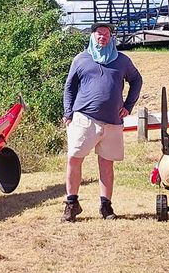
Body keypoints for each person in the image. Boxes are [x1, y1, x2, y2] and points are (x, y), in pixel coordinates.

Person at [61, 23, 143, 221]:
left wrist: (128, 106)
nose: (102, 38)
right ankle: (72, 204)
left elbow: (137, 80)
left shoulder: (122, 60)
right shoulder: (81, 59)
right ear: (92, 36)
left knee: (106, 164)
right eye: (99, 34)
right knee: (74, 158)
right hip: (84, 118)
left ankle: (106, 206)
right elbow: (69, 87)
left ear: (111, 37)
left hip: (113, 122)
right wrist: (68, 113)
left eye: (106, 34)